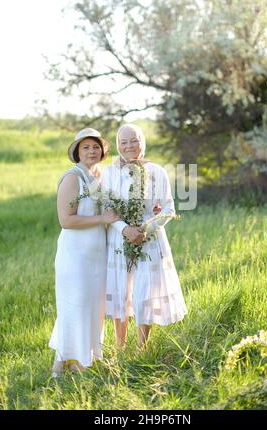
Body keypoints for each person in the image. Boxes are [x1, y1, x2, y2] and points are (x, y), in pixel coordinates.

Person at [101, 124, 187, 348]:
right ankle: (120, 346)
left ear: (142, 142)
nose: (129, 146)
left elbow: (168, 208)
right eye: (124, 142)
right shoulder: (109, 173)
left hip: (149, 237)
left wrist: (145, 229)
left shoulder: (156, 171)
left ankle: (142, 347)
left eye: (134, 140)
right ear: (118, 145)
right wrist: (126, 230)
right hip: (119, 237)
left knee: (144, 291)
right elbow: (107, 209)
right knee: (121, 290)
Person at [49, 128, 120, 376]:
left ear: (102, 150)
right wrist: (103, 218)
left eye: (96, 147)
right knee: (74, 304)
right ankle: (63, 361)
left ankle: (84, 356)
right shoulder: (72, 177)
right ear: (77, 152)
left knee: (93, 305)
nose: (92, 151)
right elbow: (66, 220)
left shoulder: (103, 175)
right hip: (75, 255)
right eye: (86, 147)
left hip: (98, 254)